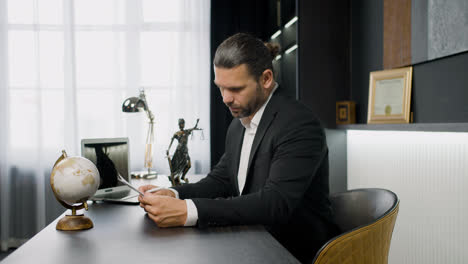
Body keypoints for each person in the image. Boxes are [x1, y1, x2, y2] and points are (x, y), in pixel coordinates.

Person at [138, 33, 339, 263]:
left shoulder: (299, 124)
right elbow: (221, 181)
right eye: (220, 88)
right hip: (253, 242)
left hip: (295, 252)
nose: (225, 98)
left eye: (235, 89)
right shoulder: (239, 122)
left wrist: (188, 211)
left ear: (265, 79)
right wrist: (173, 193)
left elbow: (275, 203)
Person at [166, 118, 201, 185]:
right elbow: (171, 141)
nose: (181, 125)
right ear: (178, 125)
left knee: (189, 165)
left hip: (185, 151)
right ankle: (177, 178)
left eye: (183, 123)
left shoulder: (186, 131)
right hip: (179, 151)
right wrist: (168, 149)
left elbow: (194, 128)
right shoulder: (177, 133)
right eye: (180, 124)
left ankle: (183, 177)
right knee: (179, 166)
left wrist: (197, 123)